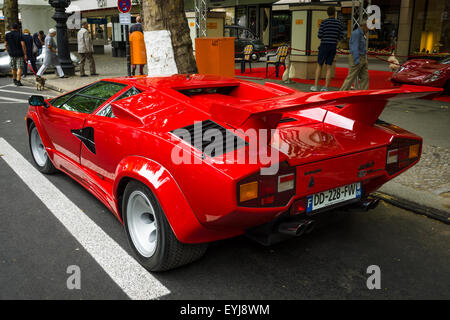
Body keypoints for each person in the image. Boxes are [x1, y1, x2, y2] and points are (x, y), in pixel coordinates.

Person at [311, 6, 344, 92]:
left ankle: (315, 86)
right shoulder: (339, 23)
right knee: (329, 67)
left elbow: (319, 35)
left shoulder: (324, 22)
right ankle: (325, 87)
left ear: (327, 13)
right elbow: (341, 37)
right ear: (334, 13)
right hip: (333, 46)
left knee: (319, 65)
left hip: (324, 45)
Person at [340, 21, 370, 91]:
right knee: (351, 77)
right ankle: (342, 92)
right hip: (357, 57)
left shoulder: (361, 34)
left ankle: (363, 93)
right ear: (364, 26)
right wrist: (357, 60)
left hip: (362, 57)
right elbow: (354, 47)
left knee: (365, 77)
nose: (369, 29)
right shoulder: (356, 34)